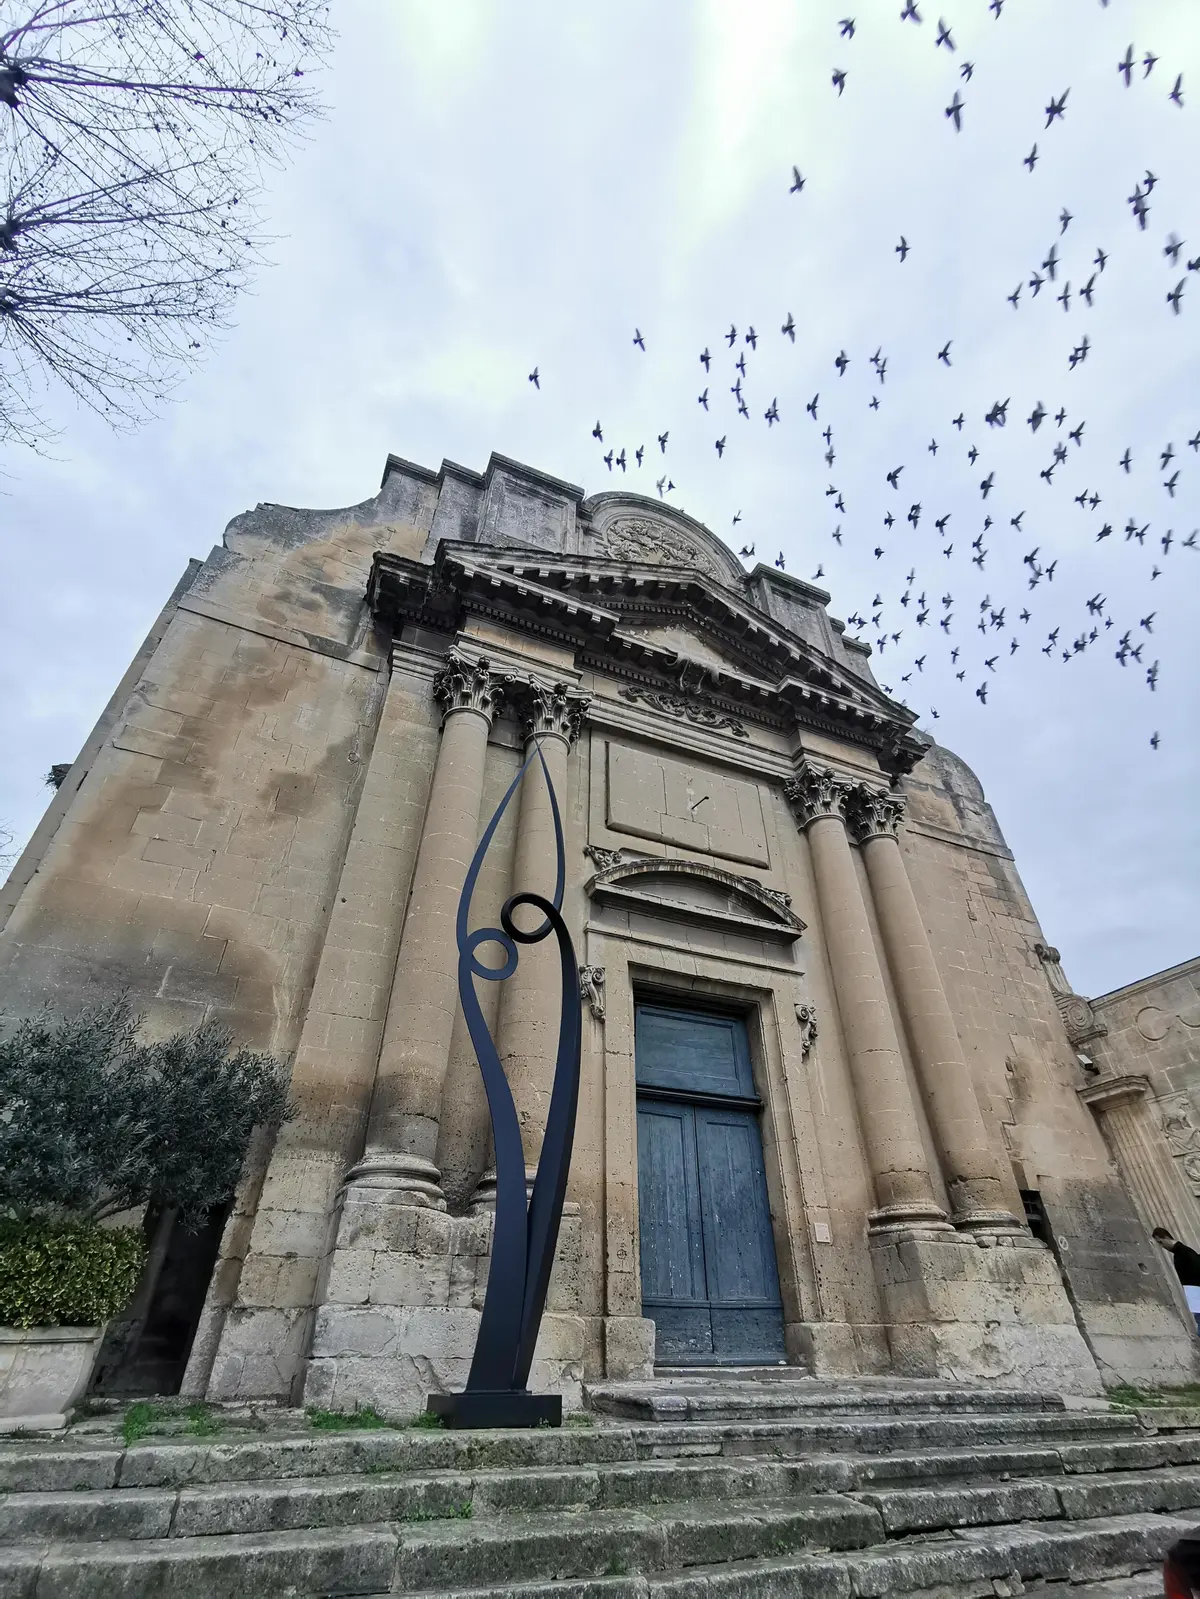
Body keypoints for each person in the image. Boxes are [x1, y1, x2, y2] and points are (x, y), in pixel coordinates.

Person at [1152, 1227, 1200, 1334]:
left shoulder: (1183, 1252)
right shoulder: (1181, 1253)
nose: (1162, 1246)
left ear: (1166, 1237)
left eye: (1160, 1242)